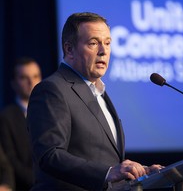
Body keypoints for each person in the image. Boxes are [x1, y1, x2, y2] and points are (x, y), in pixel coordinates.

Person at [26, 12, 162, 190]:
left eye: (107, 43)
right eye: (93, 43)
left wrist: (139, 172)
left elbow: (104, 159)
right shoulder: (52, 90)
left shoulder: (98, 92)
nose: (103, 51)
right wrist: (107, 172)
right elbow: (49, 155)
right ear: (69, 49)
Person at [0, 57, 42, 191]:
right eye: (24, 77)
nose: (31, 82)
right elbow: (10, 160)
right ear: (13, 83)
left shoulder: (53, 111)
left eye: (35, 76)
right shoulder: (6, 117)